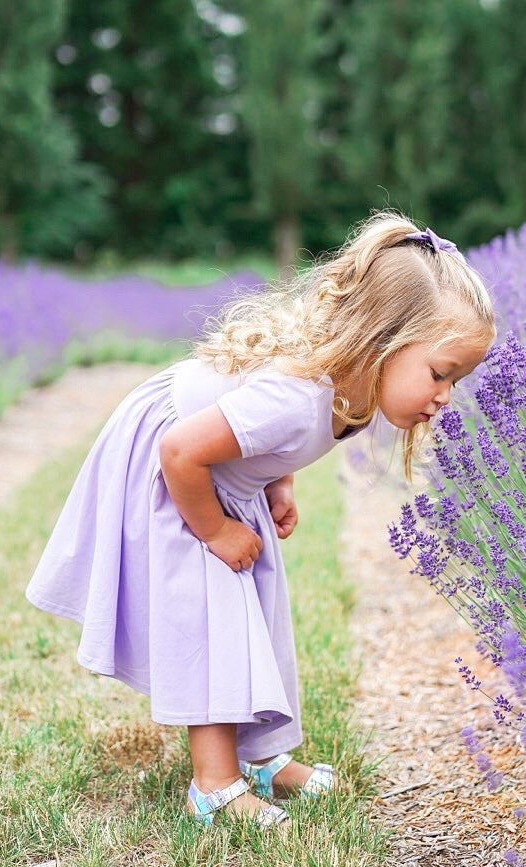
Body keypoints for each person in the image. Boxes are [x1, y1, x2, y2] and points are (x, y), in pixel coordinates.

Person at [26, 212, 496, 827]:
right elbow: (181, 451)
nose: (445, 396)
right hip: (174, 467)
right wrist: (216, 530)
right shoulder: (298, 397)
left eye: (456, 380)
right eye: (440, 373)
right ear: (382, 341)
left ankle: (261, 756)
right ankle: (214, 785)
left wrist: (278, 480)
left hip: (214, 467)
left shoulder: (349, 395)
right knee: (210, 618)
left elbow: (263, 439)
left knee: (258, 613)